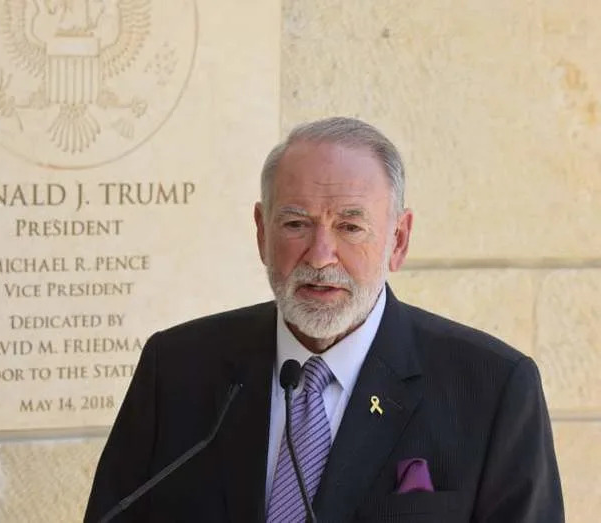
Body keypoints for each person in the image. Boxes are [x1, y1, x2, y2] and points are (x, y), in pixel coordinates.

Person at [84, 117, 564, 522]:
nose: (320, 255)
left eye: (350, 226)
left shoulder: (491, 387)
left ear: (398, 240)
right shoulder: (177, 368)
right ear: (261, 232)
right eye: (296, 224)